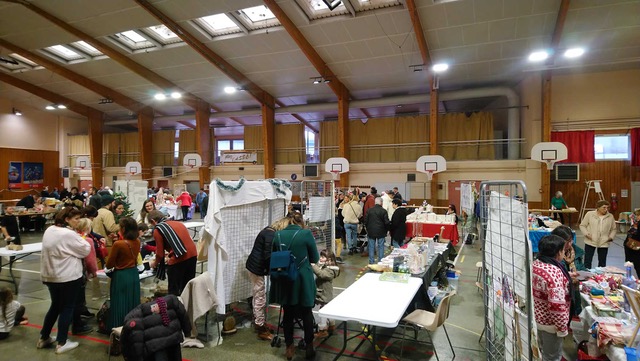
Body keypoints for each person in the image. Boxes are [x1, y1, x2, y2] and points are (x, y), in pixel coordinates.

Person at [38, 207, 90, 354]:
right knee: (67, 308)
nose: (79, 221)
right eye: (76, 219)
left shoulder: (49, 230)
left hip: (50, 276)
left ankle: (44, 337)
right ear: (66, 219)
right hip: (67, 277)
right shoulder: (68, 234)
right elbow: (85, 249)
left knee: (55, 306)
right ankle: (62, 342)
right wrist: (83, 236)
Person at [269, 212, 319, 361]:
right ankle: (309, 346)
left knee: (288, 314)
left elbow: (275, 256)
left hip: (285, 279)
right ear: (300, 222)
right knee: (306, 313)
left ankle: (289, 347)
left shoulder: (277, 235)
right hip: (302, 278)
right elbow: (315, 258)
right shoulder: (306, 234)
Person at [245, 216, 291, 341]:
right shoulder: (271, 235)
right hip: (256, 268)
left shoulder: (268, 231)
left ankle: (260, 323)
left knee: (259, 296)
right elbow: (268, 256)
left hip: (254, 266)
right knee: (260, 297)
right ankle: (260, 328)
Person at [532, 234, 571, 361]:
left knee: (541, 352)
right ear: (558, 252)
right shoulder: (554, 272)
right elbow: (556, 305)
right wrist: (562, 327)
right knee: (552, 357)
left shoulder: (535, 264)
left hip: (536, 318)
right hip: (550, 324)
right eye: (563, 251)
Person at [148, 210, 198, 296]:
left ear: (153, 221)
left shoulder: (158, 229)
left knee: (173, 290)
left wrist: (154, 263)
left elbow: (160, 254)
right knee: (187, 287)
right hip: (193, 255)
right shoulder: (178, 223)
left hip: (180, 258)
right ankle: (187, 307)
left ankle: (175, 307)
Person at [105, 217, 141, 330]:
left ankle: (118, 327)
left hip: (121, 275)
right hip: (133, 274)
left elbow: (109, 264)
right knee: (132, 302)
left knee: (119, 303)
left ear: (124, 228)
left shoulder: (118, 244)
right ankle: (133, 326)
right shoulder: (137, 242)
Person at [70, 218, 97, 335]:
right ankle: (78, 324)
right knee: (79, 298)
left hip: (69, 272)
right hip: (80, 272)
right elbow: (90, 260)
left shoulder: (72, 237)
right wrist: (94, 272)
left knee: (73, 298)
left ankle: (76, 316)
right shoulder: (87, 240)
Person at [552, 225, 583, 317]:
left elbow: (581, 267)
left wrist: (584, 274)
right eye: (567, 242)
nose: (570, 244)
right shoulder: (554, 256)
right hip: (562, 294)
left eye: (571, 241)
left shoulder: (576, 252)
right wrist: (566, 276)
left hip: (577, 288)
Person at [579, 200, 617, 268]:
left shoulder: (610, 216)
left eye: (607, 208)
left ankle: (600, 277)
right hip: (590, 241)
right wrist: (587, 234)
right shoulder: (589, 214)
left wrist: (610, 237)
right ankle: (587, 276)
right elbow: (582, 225)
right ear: (598, 207)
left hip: (604, 242)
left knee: (602, 263)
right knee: (587, 261)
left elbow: (613, 229)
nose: (606, 209)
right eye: (604, 207)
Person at [312, 249, 340, 339]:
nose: (320, 258)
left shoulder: (330, 271)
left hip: (325, 294)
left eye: (323, 257)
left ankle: (323, 329)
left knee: (323, 311)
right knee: (328, 310)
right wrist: (318, 264)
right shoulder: (325, 266)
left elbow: (321, 274)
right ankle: (332, 326)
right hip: (323, 293)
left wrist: (313, 266)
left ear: (329, 260)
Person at [364, 197, 390, 264]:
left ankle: (371, 262)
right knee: (381, 246)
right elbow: (386, 222)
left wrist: (367, 229)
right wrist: (387, 230)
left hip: (371, 231)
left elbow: (366, 221)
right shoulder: (384, 211)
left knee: (371, 247)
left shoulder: (369, 210)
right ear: (381, 203)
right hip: (381, 231)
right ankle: (380, 262)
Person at [623, 209, 640, 277]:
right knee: (636, 268)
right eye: (636, 215)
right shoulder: (635, 224)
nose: (637, 217)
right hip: (632, 250)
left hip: (637, 251)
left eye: (638, 215)